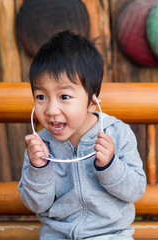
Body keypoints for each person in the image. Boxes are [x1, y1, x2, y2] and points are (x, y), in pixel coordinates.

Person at [18, 31, 146, 240]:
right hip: (57, 235)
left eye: (64, 96)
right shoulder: (40, 146)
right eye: (41, 96)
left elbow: (135, 190)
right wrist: (38, 169)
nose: (51, 109)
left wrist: (110, 166)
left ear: (92, 102)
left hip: (110, 235)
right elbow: (35, 204)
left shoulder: (117, 133)